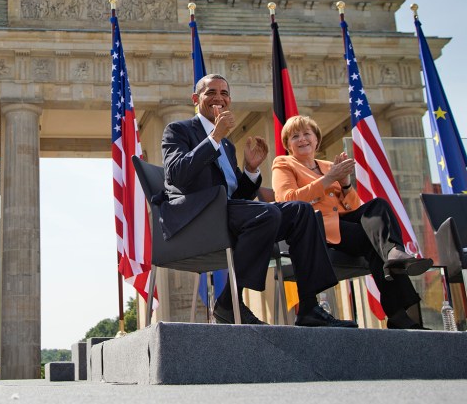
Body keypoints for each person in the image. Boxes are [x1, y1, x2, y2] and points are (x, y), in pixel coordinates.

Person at [161, 74, 356, 327]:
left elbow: (238, 199)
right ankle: (230, 301)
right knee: (268, 213)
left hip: (227, 213)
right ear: (196, 99)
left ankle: (309, 307)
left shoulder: (228, 146)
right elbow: (177, 174)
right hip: (197, 216)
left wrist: (251, 170)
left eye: (224, 93)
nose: (218, 98)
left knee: (303, 212)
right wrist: (213, 139)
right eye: (211, 93)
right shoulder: (179, 130)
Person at [271, 115, 433, 329]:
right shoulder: (283, 163)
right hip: (317, 229)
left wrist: (346, 184)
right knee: (375, 244)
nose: (302, 139)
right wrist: (329, 180)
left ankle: (393, 253)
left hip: (345, 223)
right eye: (295, 136)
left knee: (378, 206)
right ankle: (398, 312)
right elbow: (287, 200)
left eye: (306, 134)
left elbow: (355, 209)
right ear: (288, 144)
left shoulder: (330, 166)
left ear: (316, 140)